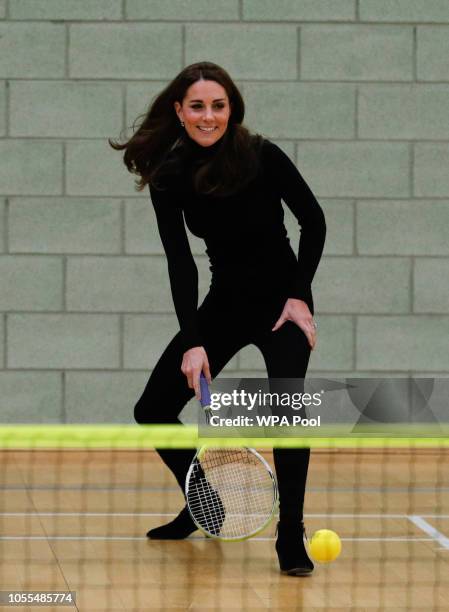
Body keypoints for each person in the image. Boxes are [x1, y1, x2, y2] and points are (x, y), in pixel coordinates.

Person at [110, 61, 326, 576]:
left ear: (232, 109)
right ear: (180, 112)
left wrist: (299, 296)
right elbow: (180, 262)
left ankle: (289, 534)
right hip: (224, 305)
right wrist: (192, 339)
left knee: (288, 418)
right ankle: (202, 502)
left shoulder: (261, 155)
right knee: (154, 409)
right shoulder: (169, 174)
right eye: (198, 106)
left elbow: (313, 220)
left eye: (219, 105)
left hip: (282, 308)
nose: (209, 116)